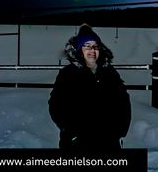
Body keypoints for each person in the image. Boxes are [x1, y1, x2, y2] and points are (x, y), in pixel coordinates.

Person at [48, 24, 131, 152]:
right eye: (87, 46)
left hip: (108, 142)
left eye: (95, 46)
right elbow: (56, 105)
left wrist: (119, 131)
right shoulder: (68, 74)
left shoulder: (109, 73)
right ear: (80, 49)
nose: (92, 50)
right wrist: (72, 131)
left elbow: (123, 102)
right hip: (77, 143)